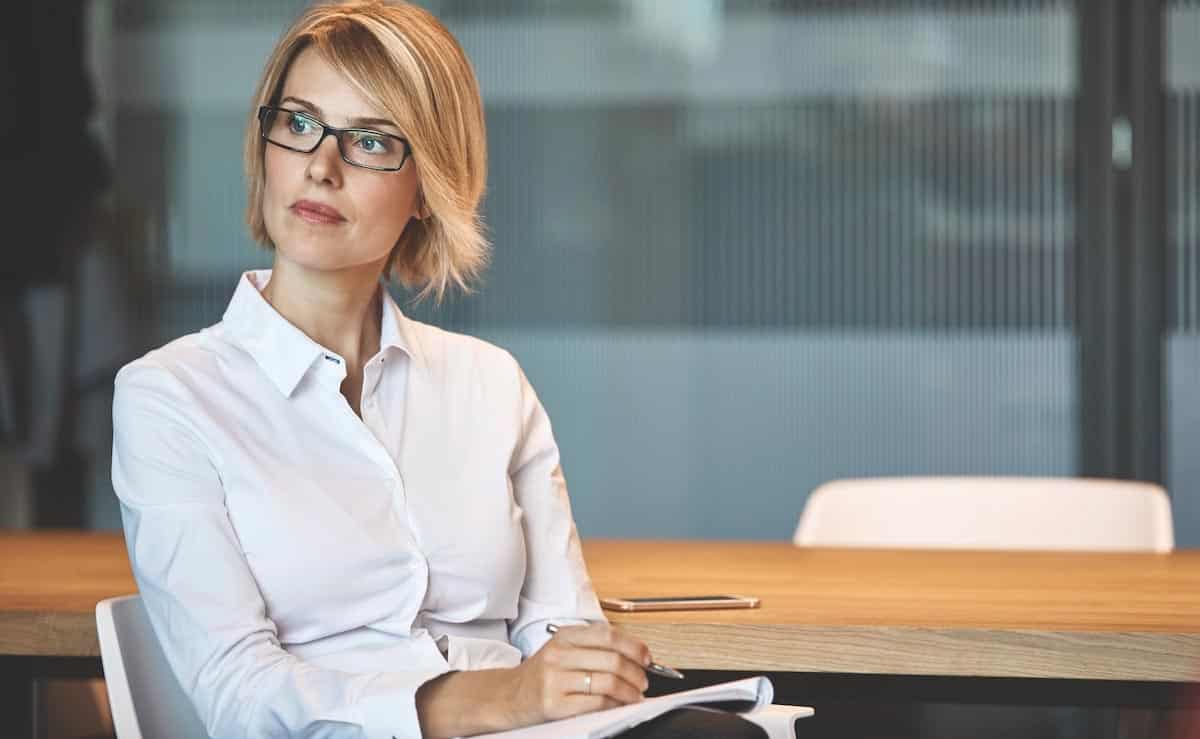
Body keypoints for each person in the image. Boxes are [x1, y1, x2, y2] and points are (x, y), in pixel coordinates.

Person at [111, 2, 767, 737]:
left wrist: (582, 673)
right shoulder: (170, 396)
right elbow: (239, 693)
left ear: (428, 187)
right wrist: (500, 699)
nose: (320, 167)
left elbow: (557, 623)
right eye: (297, 124)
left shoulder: (490, 383)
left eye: (368, 141)